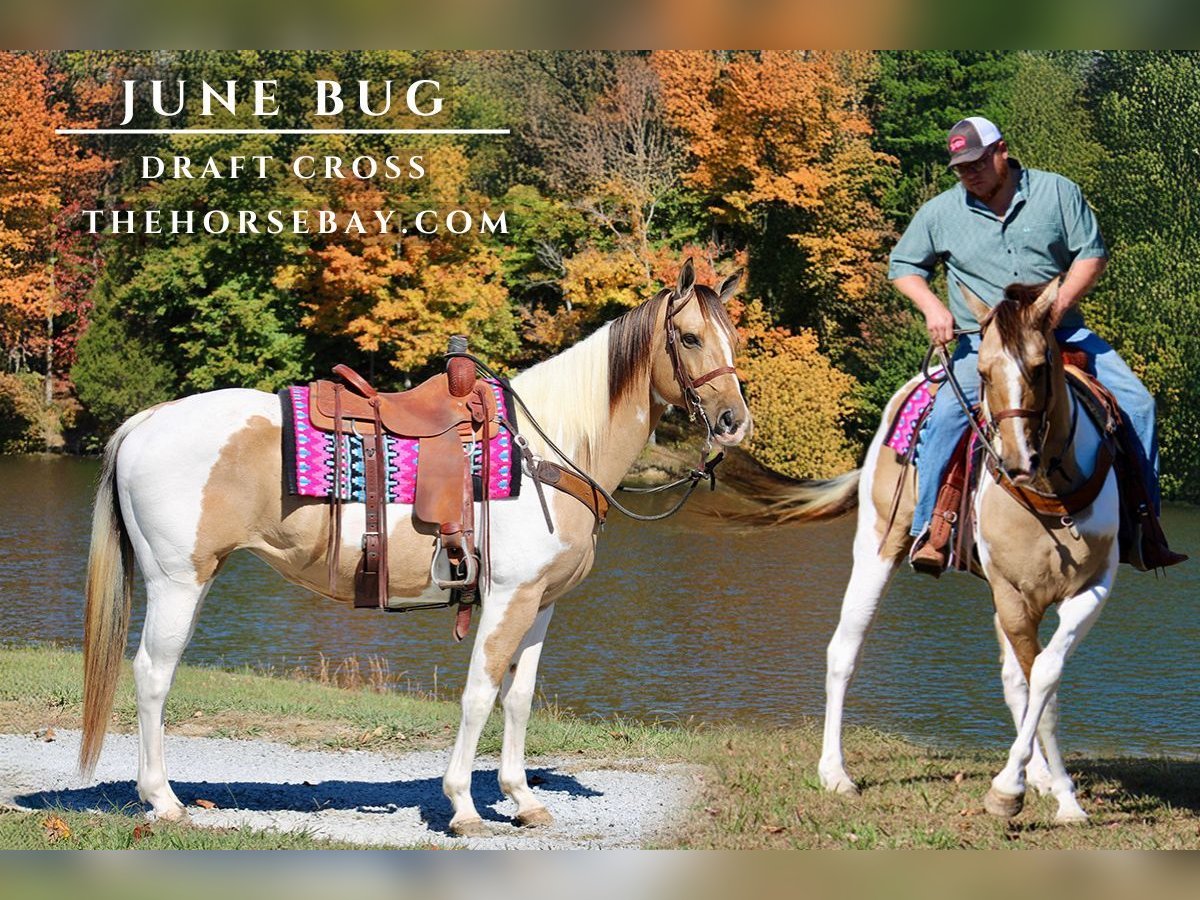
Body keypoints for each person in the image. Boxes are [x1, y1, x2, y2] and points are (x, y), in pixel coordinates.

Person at [888, 116, 1185, 575]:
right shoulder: (939, 213)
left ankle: (1144, 529)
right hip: (985, 345)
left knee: (1140, 405)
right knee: (947, 414)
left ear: (1002, 151)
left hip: (1061, 331)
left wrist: (1057, 306)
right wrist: (932, 307)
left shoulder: (1056, 192)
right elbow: (904, 266)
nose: (970, 174)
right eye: (961, 167)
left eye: (978, 162)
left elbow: (1092, 253)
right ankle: (933, 530)